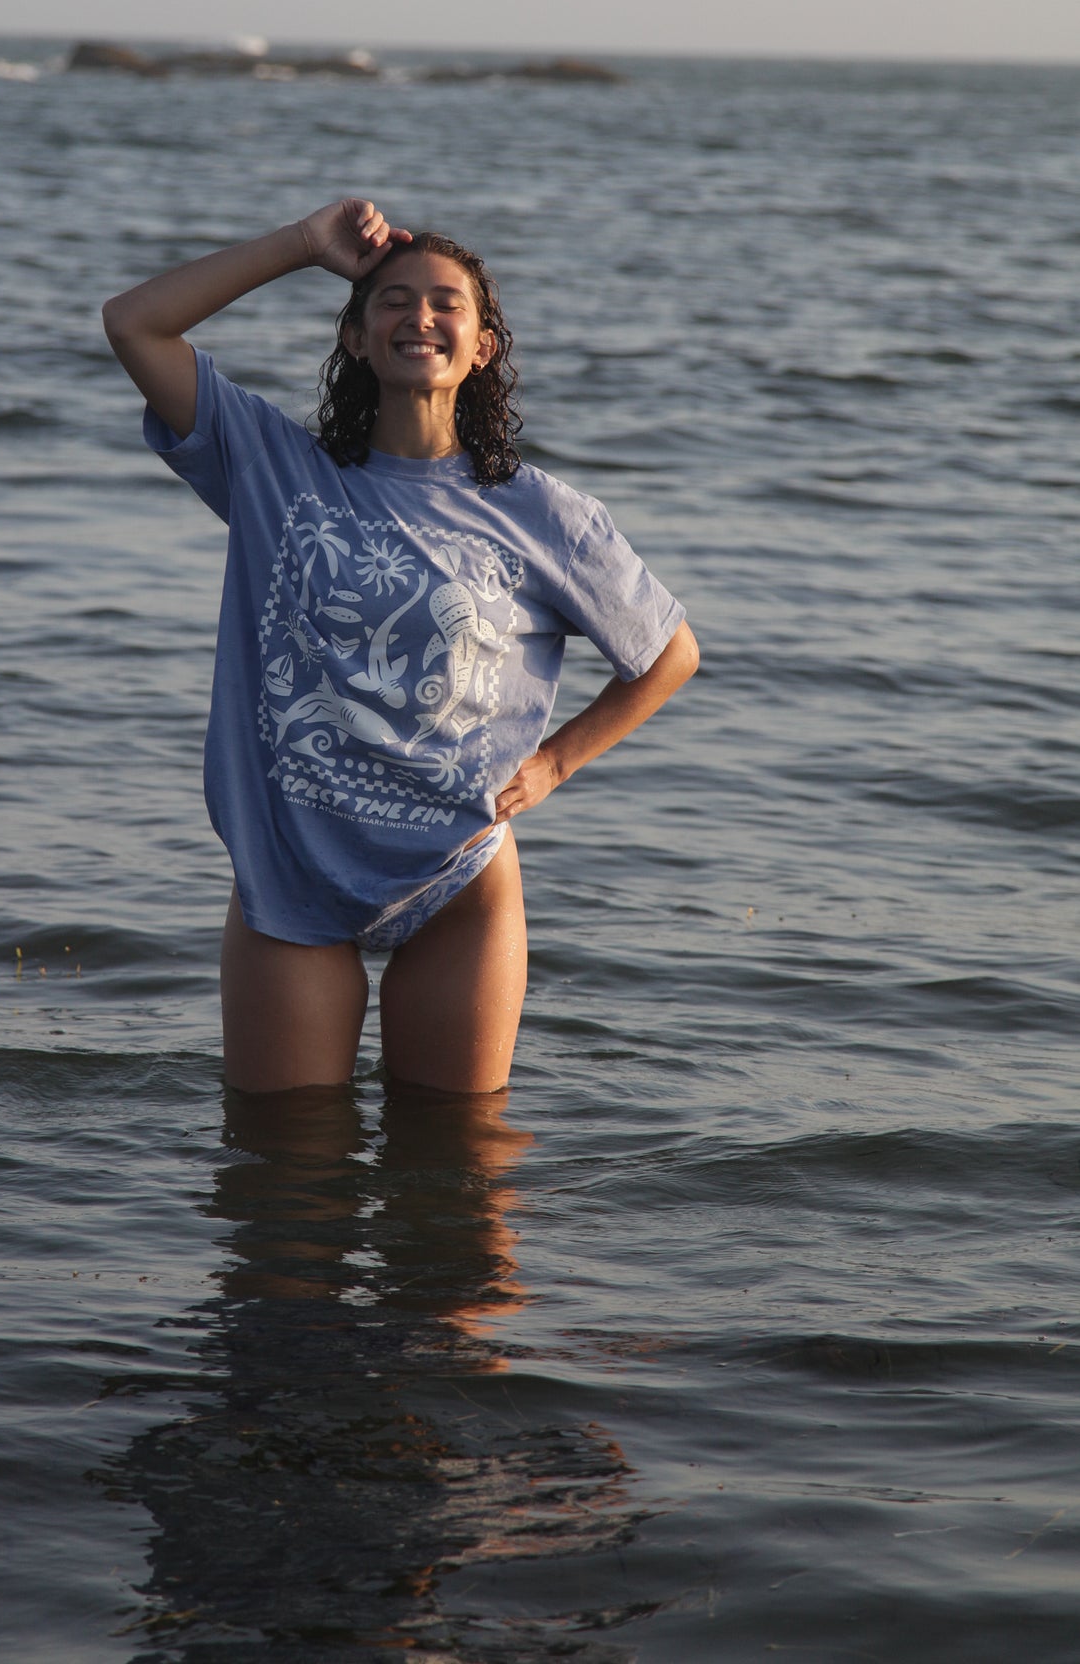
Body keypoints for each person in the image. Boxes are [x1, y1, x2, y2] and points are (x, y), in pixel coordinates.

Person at [103, 197, 698, 1097]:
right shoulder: (271, 468)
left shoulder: (543, 514)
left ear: (482, 347)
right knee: (283, 1160)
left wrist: (556, 762)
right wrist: (303, 245)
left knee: (458, 1165)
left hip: (458, 874)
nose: (419, 315)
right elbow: (134, 324)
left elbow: (667, 653)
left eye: (445, 303)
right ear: (354, 337)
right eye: (392, 300)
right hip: (289, 872)